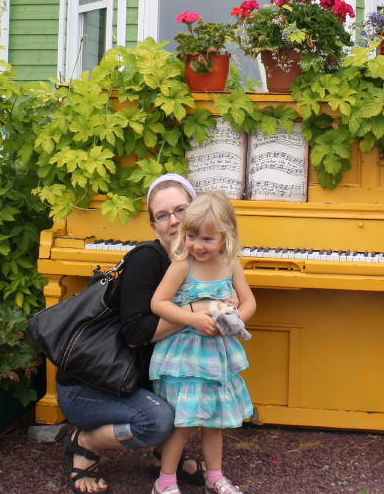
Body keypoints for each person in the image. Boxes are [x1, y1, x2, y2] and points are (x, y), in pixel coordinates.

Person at [58, 174, 216, 494]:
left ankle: (164, 456)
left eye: (181, 210)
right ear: (153, 226)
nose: (173, 221)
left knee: (197, 385)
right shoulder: (149, 258)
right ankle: (84, 443)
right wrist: (195, 312)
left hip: (123, 380)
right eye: (162, 215)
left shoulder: (191, 257)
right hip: (89, 387)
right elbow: (134, 334)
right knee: (158, 422)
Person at [149, 191, 256, 494]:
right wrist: (193, 318)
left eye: (207, 240)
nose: (197, 245)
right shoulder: (183, 265)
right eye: (192, 236)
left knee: (215, 420)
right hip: (185, 356)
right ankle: (165, 482)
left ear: (226, 237)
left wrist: (234, 320)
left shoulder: (230, 264)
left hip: (216, 355)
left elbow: (249, 302)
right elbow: (158, 303)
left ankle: (214, 477)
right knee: (183, 424)